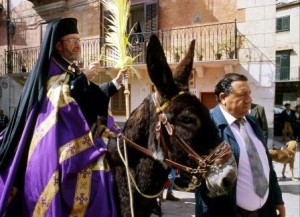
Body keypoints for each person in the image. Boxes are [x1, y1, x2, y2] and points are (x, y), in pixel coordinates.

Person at [0, 17, 126, 216]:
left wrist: (115, 84)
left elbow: (89, 97)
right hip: (54, 146)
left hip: (72, 139)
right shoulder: (52, 73)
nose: (78, 44)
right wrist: (84, 77)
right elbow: (63, 99)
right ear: (58, 45)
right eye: (72, 40)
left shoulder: (71, 70)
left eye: (78, 39)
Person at [195, 73, 285, 217]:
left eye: (249, 93)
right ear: (224, 97)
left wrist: (277, 199)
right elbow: (192, 175)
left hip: (265, 209)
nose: (249, 99)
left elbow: (266, 165)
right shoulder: (206, 125)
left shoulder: (251, 121)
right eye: (242, 94)